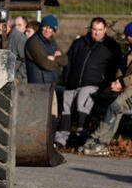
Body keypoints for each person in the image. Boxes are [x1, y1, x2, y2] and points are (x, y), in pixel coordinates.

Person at [60, 17, 123, 146]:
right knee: (66, 109)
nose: (97, 33)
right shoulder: (79, 43)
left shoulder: (111, 46)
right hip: (72, 82)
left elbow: (116, 67)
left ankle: (80, 138)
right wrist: (66, 79)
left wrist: (107, 84)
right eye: (94, 29)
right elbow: (68, 61)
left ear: (105, 29)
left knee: (82, 105)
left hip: (93, 84)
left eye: (100, 30)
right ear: (90, 29)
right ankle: (60, 139)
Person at [81, 21, 132, 156]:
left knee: (115, 106)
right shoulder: (130, 51)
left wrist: (122, 83)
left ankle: (97, 139)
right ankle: (101, 142)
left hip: (130, 89)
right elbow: (123, 70)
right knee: (114, 107)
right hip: (127, 88)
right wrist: (115, 82)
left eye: (130, 36)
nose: (128, 39)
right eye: (127, 36)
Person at [25, 15, 66, 85]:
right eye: (45, 27)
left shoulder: (52, 42)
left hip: (52, 84)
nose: (47, 30)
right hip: (38, 86)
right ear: (41, 27)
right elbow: (46, 64)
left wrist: (54, 58)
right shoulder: (33, 42)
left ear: (54, 31)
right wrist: (58, 61)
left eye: (51, 28)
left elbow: (65, 60)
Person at [7, 16, 29, 81]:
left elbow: (25, 60)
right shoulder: (11, 37)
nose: (16, 27)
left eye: (19, 25)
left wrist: (17, 76)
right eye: (15, 25)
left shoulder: (20, 38)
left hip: (20, 79)